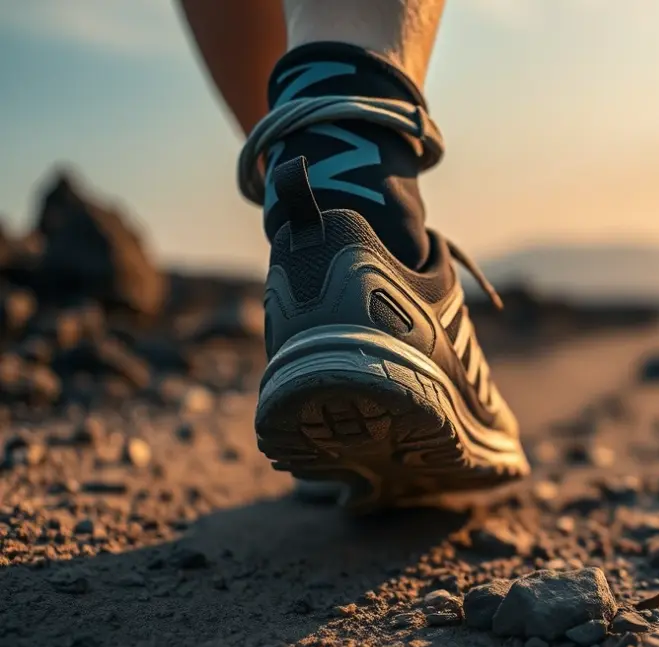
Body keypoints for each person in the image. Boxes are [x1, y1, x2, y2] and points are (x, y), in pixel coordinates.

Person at [178, 0, 530, 511]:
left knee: (318, 175)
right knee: (350, 173)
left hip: (294, 275)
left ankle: (310, 270)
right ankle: (384, 242)